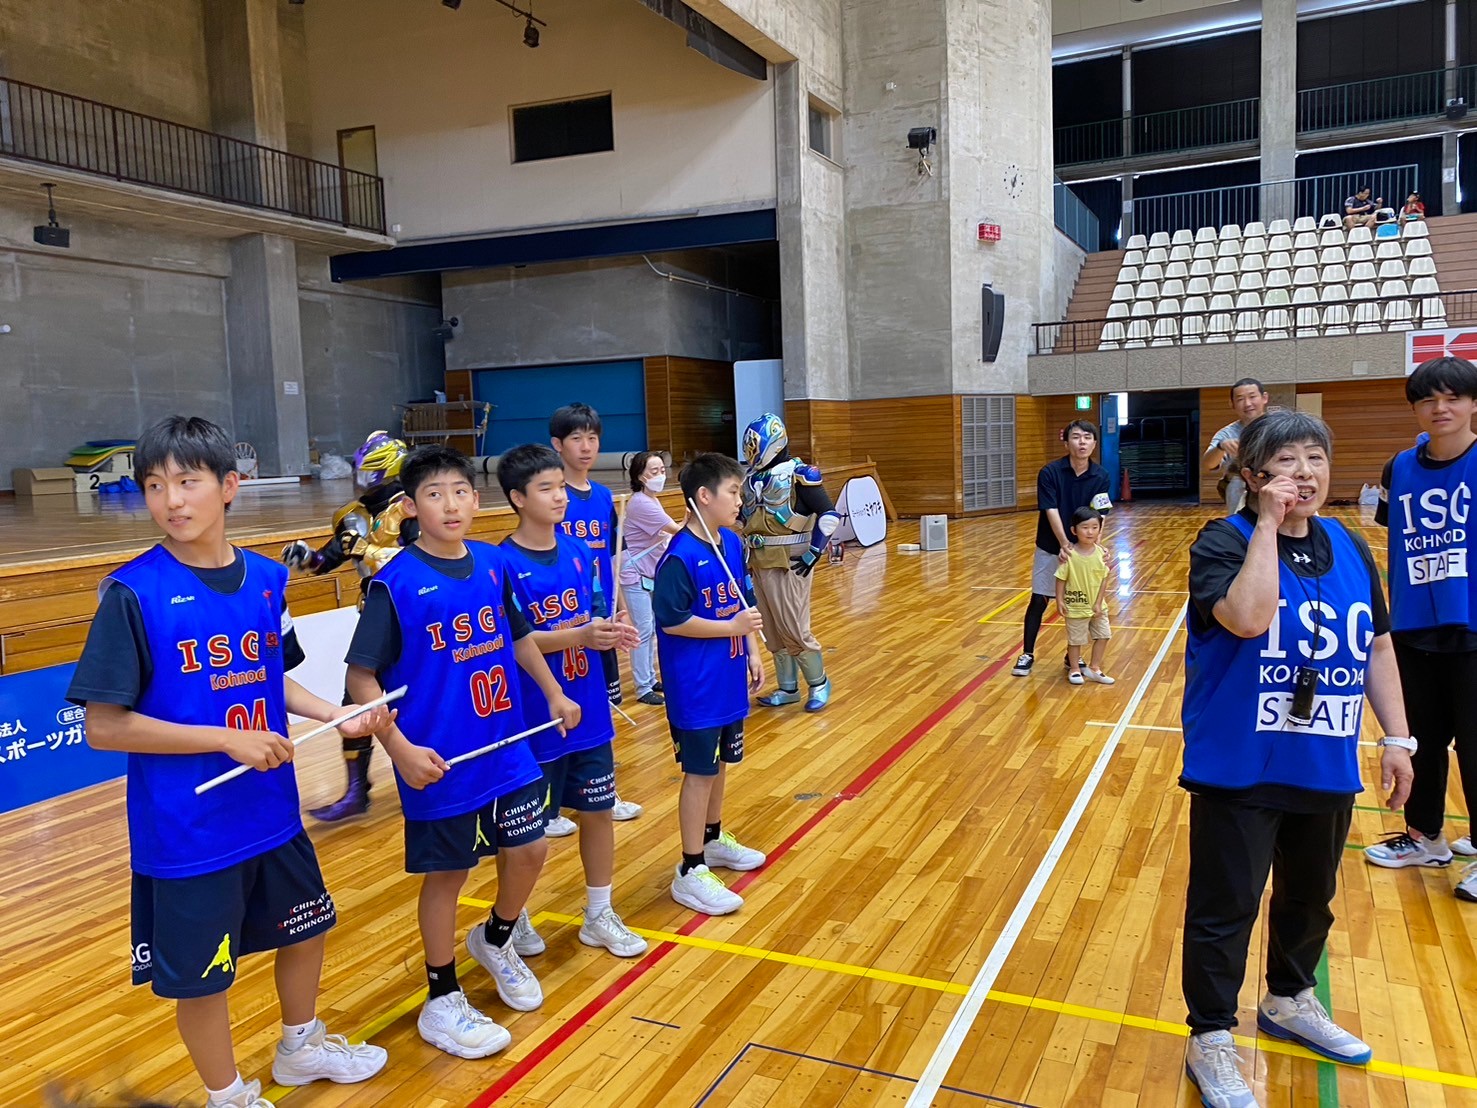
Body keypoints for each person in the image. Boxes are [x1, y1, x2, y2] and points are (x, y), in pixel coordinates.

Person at [69, 416, 393, 1108]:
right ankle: (228, 1096)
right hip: (189, 829)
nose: (171, 500)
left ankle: (301, 1048)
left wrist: (334, 714)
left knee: (308, 928)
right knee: (204, 979)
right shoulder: (132, 594)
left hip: (269, 811)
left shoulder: (267, 580)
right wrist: (223, 739)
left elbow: (274, 676)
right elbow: (103, 726)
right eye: (154, 486)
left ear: (229, 487)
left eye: (187, 482)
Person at [1179, 408, 1414, 1108]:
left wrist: (1397, 738)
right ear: (1253, 476)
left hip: (1323, 761)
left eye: (1315, 458)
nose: (1304, 473)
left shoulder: (1350, 544)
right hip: (1240, 765)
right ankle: (1209, 1035)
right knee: (1225, 909)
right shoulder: (1221, 542)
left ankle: (1288, 998)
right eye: (1285, 461)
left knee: (1310, 899)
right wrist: (1265, 527)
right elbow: (1248, 617)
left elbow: (1376, 645)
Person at [343, 445, 581, 1060]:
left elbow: (520, 637)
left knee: (531, 849)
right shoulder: (394, 583)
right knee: (448, 876)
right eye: (433, 494)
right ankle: (442, 994)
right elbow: (360, 679)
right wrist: (398, 749)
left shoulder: (493, 564)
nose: (449, 505)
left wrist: (554, 693)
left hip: (505, 744)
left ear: (476, 500)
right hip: (439, 761)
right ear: (410, 507)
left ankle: (495, 937)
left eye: (459, 492)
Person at [495, 444, 648, 959]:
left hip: (588, 709)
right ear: (518, 498)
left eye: (561, 486)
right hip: (534, 716)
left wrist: (613, 631)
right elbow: (513, 642)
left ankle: (599, 913)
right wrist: (579, 635)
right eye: (546, 488)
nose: (560, 496)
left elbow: (595, 616)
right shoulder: (501, 564)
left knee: (598, 811)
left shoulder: (581, 553)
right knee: (524, 831)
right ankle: (515, 916)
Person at [1363, 357, 1477, 888]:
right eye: (1429, 399)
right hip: (1413, 628)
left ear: (1473, 404)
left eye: (1453, 398)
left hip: (1472, 627)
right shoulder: (1399, 467)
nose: (1440, 408)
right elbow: (1390, 528)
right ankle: (1426, 837)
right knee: (1422, 742)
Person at [281, 429, 417, 822]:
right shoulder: (352, 515)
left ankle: (430, 773)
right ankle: (357, 789)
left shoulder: (411, 507)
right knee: (354, 703)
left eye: (369, 472)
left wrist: (369, 550)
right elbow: (329, 559)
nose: (362, 480)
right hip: (374, 616)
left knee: (422, 697)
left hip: (415, 614)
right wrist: (306, 558)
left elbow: (421, 559)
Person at [655, 453, 767, 915]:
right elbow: (673, 620)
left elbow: (743, 602)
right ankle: (690, 867)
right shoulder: (679, 557)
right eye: (733, 492)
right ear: (704, 496)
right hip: (695, 686)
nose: (739, 501)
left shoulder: (731, 543)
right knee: (699, 773)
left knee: (719, 765)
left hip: (728, 677)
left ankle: (713, 838)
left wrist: (752, 649)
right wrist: (731, 628)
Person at [549, 402, 642, 831]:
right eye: (576, 438)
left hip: (601, 616)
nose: (586, 447)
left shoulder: (604, 497)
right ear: (558, 444)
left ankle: (599, 790)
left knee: (603, 703)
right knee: (561, 703)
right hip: (563, 621)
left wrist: (621, 606)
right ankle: (548, 805)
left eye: (592, 438)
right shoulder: (552, 497)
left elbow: (610, 560)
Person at [739, 412, 840, 711]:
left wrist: (814, 551)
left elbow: (828, 514)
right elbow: (744, 519)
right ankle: (788, 687)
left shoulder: (799, 475)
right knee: (771, 629)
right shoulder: (750, 480)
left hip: (789, 561)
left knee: (794, 627)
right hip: (757, 560)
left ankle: (819, 683)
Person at [1011, 420, 1113, 678]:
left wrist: (1094, 545)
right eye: (1076, 437)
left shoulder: (1101, 476)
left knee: (1083, 602)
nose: (1082, 442)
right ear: (1066, 442)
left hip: (1083, 549)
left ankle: (1073, 657)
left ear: (1094, 443)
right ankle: (1027, 652)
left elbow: (1100, 514)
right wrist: (1065, 544)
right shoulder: (1050, 473)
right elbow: (1050, 509)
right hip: (1050, 545)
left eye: (1087, 437)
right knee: (1039, 599)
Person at [620, 450, 682, 706]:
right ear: (640, 476)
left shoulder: (652, 500)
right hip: (634, 573)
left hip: (648, 571)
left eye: (662, 470)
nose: (660, 476)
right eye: (654, 471)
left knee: (651, 627)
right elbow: (676, 531)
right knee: (643, 629)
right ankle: (643, 687)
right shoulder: (641, 503)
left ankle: (650, 677)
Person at [1053, 507, 1114, 686]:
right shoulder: (1069, 555)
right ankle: (1074, 669)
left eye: (1095, 527)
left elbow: (1104, 578)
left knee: (1104, 635)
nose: (1090, 532)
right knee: (1076, 640)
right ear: (1074, 530)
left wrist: (1099, 603)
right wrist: (1059, 600)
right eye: (1085, 527)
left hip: (1098, 607)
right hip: (1076, 605)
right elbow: (1061, 578)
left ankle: (1094, 668)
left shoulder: (1101, 554)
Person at [1202, 378, 1271, 512]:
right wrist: (1220, 447)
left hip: (1276, 484)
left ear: (1264, 398)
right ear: (1232, 404)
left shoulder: (1281, 427)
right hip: (1240, 488)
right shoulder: (1227, 434)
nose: (1247, 403)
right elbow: (1208, 465)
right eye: (1240, 399)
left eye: (1252, 397)